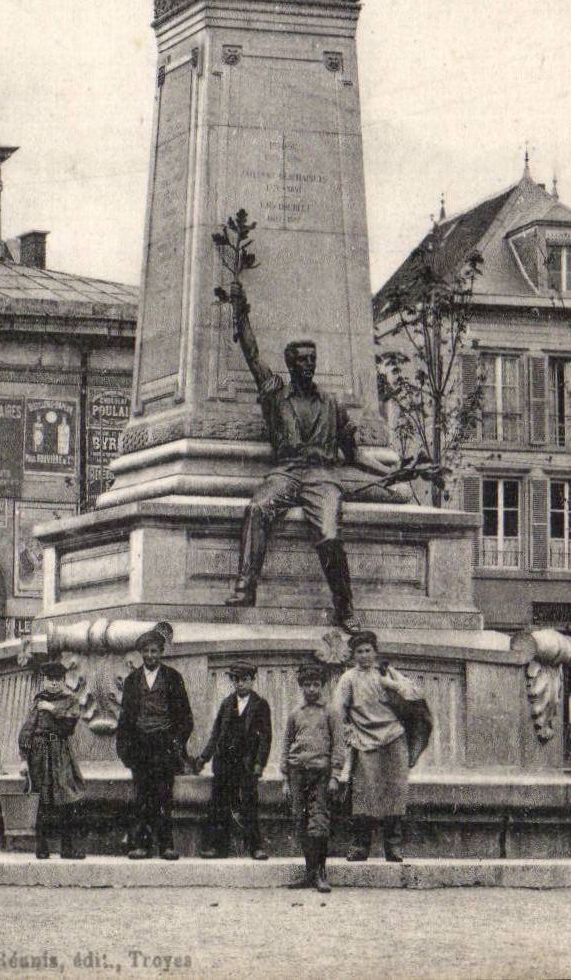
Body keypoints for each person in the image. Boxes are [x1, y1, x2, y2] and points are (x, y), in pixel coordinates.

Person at [224, 278, 391, 626]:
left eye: (312, 360)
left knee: (329, 533)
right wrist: (240, 314)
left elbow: (354, 453)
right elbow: (253, 356)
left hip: (321, 477)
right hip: (285, 472)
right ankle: (246, 584)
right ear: (289, 363)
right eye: (301, 361)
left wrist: (388, 475)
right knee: (257, 508)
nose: (308, 366)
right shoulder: (274, 394)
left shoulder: (331, 404)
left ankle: (344, 607)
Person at [332, 630, 428, 863]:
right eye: (359, 652)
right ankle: (360, 846)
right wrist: (349, 733)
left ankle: (392, 847)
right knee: (364, 794)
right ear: (353, 655)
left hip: (394, 737)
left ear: (375, 652)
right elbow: (337, 711)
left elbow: (416, 693)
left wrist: (392, 685)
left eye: (368, 651)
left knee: (395, 793)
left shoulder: (386, 672)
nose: (364, 656)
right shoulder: (349, 679)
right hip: (364, 741)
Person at [115, 627, 193, 861]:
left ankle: (166, 845)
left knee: (163, 796)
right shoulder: (132, 680)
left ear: (161, 652)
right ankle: (142, 845)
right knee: (142, 796)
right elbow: (125, 718)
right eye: (146, 652)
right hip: (140, 745)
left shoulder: (172, 677)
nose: (150, 656)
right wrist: (125, 749)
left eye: (155, 651)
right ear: (140, 653)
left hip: (164, 744)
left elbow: (185, 716)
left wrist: (175, 742)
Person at [279, 659, 346, 894]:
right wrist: (286, 779)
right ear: (301, 686)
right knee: (300, 820)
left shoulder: (331, 713)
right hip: (298, 773)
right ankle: (308, 871)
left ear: (323, 686)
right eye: (307, 684)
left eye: (316, 684)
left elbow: (339, 745)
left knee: (319, 822)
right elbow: (286, 746)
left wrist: (335, 775)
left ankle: (321, 872)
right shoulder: (295, 714)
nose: (311, 689)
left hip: (321, 773)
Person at [194, 660, 271, 860]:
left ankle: (255, 847)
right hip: (224, 762)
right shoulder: (227, 703)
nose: (240, 684)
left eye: (245, 679)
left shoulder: (260, 705)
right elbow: (216, 733)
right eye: (236, 680)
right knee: (219, 805)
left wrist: (259, 763)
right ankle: (219, 848)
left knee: (249, 804)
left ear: (253, 680)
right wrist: (204, 757)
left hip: (246, 763)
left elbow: (265, 738)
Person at [18, 660, 87, 860]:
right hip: (38, 754)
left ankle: (67, 847)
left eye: (58, 679)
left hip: (59, 752)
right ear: (44, 680)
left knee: (66, 798)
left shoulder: (70, 700)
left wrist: (52, 709)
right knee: (40, 799)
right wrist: (23, 759)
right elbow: (27, 730)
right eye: (50, 679)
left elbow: (68, 727)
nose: (54, 684)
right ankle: (41, 846)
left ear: (64, 681)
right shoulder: (38, 701)